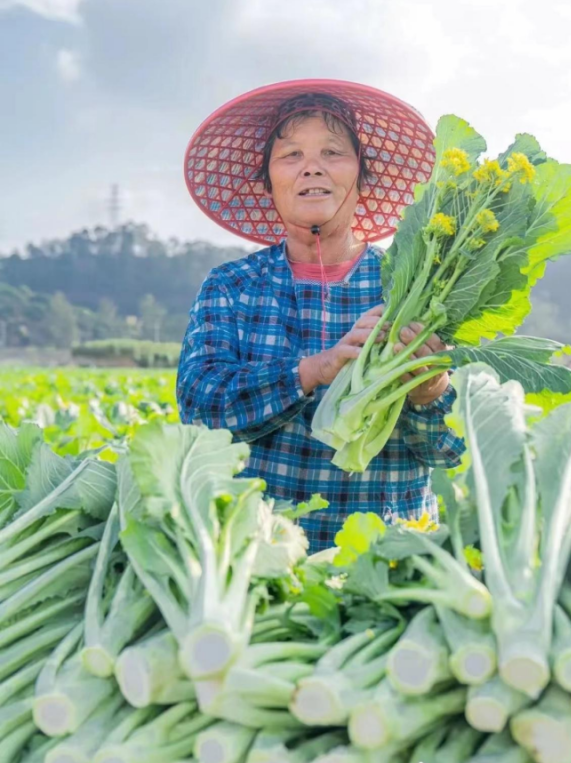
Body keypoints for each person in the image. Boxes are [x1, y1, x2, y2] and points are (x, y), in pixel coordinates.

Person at [177, 79, 465, 553]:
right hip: (253, 556)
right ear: (268, 181)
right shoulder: (231, 286)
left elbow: (451, 449)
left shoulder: (416, 288)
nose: (312, 167)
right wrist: (315, 370)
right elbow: (200, 407)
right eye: (290, 155)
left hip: (391, 557)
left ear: (362, 177)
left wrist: (429, 393)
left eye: (333, 152)